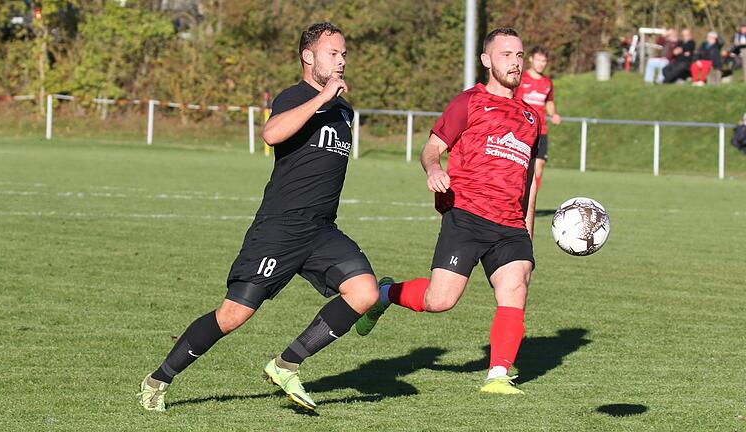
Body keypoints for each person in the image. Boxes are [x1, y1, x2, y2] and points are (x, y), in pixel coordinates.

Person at [137, 22, 379, 413]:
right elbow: (272, 134)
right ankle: (159, 378)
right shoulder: (295, 97)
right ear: (308, 56)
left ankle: (287, 364)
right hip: (279, 227)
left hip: (320, 230)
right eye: (332, 54)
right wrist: (321, 99)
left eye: (344, 54)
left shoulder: (344, 111)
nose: (341, 61)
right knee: (233, 315)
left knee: (365, 292)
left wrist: (332, 100)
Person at [355, 27, 540, 395]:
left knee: (515, 287)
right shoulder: (468, 102)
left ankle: (498, 375)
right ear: (487, 60)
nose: (515, 62)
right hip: (467, 214)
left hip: (510, 224)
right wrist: (435, 169)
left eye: (519, 56)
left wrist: (528, 234)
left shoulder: (532, 118)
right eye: (506, 55)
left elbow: (529, 181)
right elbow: (431, 148)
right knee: (440, 301)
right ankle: (384, 294)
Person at [514, 45, 560, 192]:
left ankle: (529, 201)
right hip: (521, 130)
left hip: (541, 131)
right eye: (538, 60)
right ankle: (515, 199)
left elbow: (549, 102)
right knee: (518, 167)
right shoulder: (520, 78)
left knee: (539, 167)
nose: (541, 64)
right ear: (531, 59)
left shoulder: (547, 82)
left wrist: (554, 114)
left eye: (544, 61)